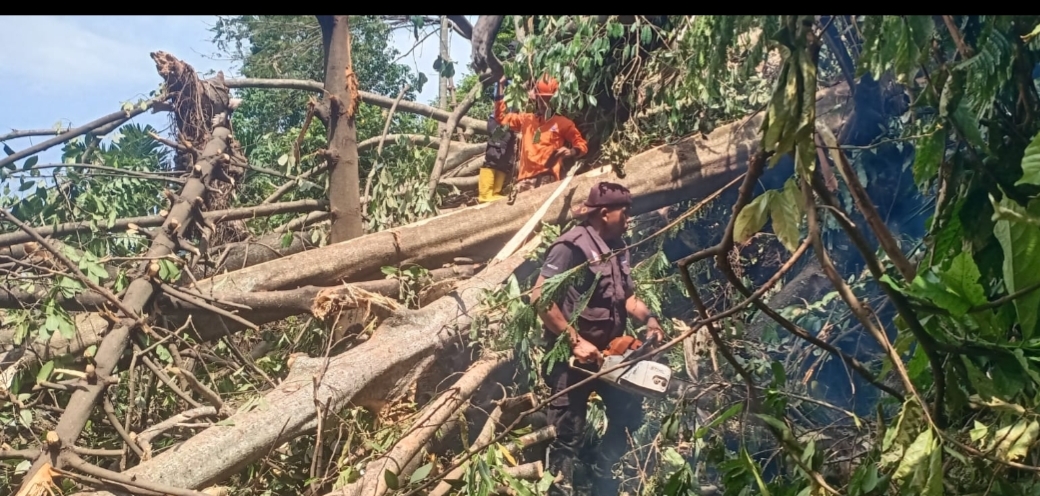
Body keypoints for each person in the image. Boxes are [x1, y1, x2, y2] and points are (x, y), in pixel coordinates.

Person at [530, 181, 666, 496]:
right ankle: (559, 487)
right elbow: (540, 297)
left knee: (629, 415)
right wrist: (575, 340)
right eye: (625, 213)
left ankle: (601, 471)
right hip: (572, 359)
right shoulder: (571, 247)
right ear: (605, 213)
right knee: (567, 431)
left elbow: (627, 297)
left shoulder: (618, 247)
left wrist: (650, 320)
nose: (629, 220)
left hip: (610, 358)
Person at [493, 74, 589, 197]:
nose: (544, 104)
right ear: (536, 98)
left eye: (548, 100)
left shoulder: (562, 123)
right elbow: (500, 117)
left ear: (555, 100)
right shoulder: (526, 120)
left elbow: (582, 145)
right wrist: (500, 85)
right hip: (524, 181)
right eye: (541, 99)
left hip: (548, 179)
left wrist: (571, 152)